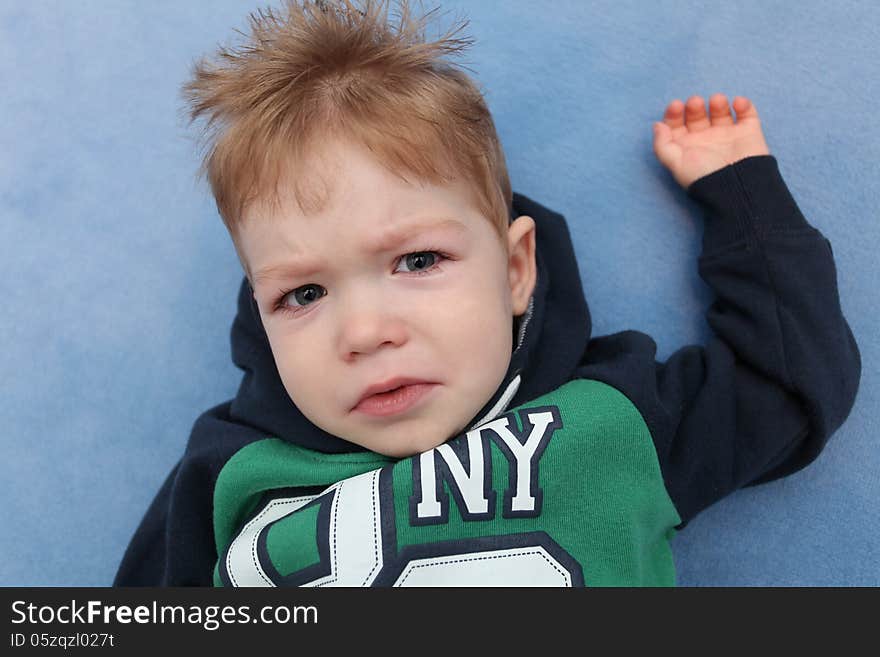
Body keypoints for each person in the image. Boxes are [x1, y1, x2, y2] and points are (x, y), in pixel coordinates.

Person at [114, 0, 860, 586]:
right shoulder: (228, 474)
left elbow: (788, 379)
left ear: (514, 269)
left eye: (417, 260)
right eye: (304, 293)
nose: (366, 330)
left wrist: (742, 197)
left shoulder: (615, 422)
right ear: (258, 309)